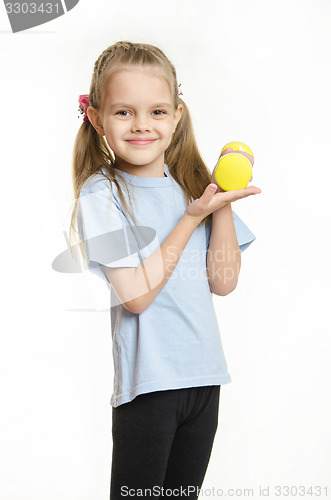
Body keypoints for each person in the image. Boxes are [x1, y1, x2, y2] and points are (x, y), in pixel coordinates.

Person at [69, 41, 261, 499]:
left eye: (156, 112)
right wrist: (192, 217)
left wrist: (221, 204)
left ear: (177, 115)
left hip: (205, 379)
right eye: (123, 113)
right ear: (96, 118)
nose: (141, 125)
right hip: (150, 386)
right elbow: (136, 295)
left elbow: (224, 282)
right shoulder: (102, 195)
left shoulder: (192, 190)